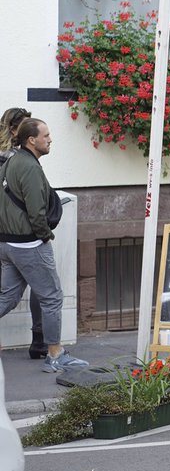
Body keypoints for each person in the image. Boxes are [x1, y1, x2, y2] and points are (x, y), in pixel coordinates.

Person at [0, 118, 87, 372]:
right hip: (29, 245)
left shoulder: (9, 161)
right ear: (31, 140)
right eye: (46, 135)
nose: (50, 139)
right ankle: (55, 354)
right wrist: (45, 235)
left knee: (7, 296)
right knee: (52, 298)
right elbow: (36, 212)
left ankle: (54, 352)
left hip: (6, 243)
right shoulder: (29, 167)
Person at [0, 107, 45, 359]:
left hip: (5, 235)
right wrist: (43, 232)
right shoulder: (20, 159)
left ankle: (40, 341)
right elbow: (31, 200)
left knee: (7, 294)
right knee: (45, 290)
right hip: (20, 235)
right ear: (16, 130)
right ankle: (41, 341)